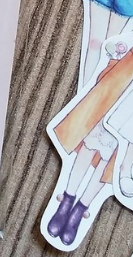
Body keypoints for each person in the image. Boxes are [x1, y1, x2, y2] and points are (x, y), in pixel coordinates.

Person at [46, 46, 133, 247]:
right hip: (120, 84)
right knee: (92, 140)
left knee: (112, 160)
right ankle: (67, 199)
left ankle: (81, 209)